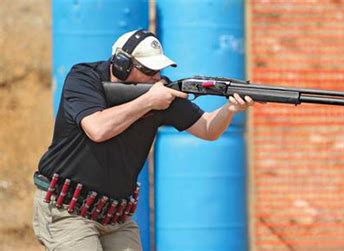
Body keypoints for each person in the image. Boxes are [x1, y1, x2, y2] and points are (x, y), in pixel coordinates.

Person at [32, 29, 254, 250]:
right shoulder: (83, 78)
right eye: (149, 70)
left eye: (159, 69)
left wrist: (230, 109)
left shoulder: (160, 93)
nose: (156, 77)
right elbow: (98, 129)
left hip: (114, 216)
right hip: (66, 209)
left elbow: (208, 129)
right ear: (121, 64)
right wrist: (148, 102)